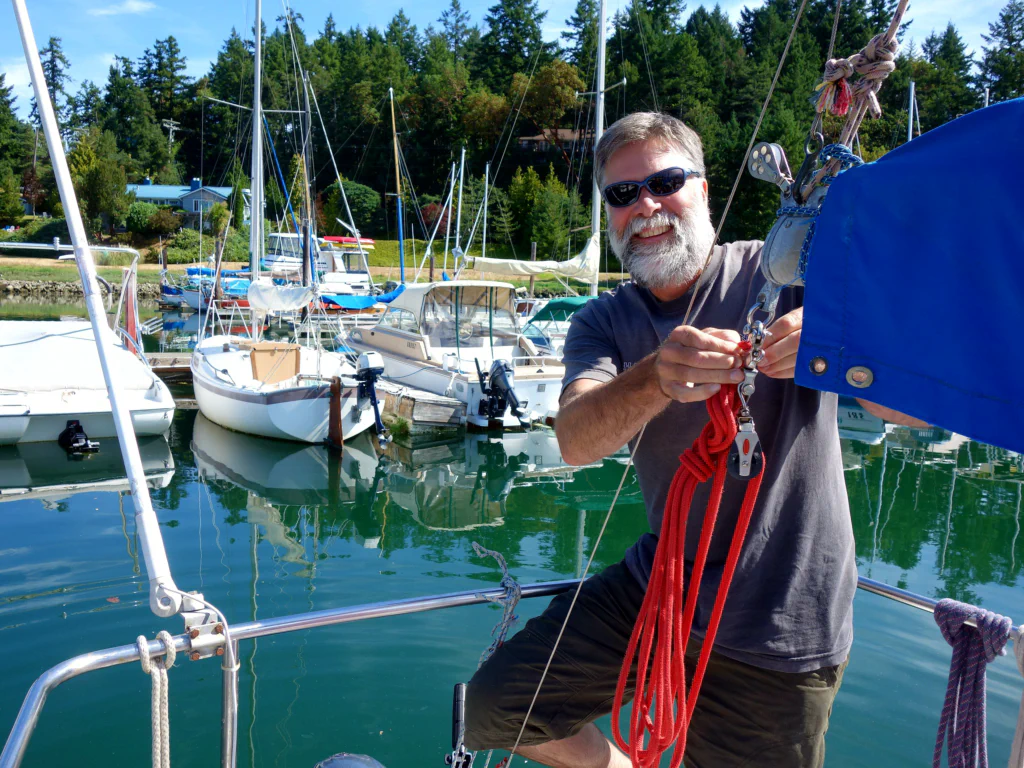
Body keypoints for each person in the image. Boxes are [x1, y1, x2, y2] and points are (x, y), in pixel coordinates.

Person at [463, 112, 917, 768]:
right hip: (663, 591)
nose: (644, 205)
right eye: (622, 194)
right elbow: (574, 440)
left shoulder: (786, 274)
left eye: (665, 181)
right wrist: (657, 377)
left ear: (703, 190)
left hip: (780, 620)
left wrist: (837, 347)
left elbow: (906, 411)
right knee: (495, 707)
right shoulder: (604, 321)